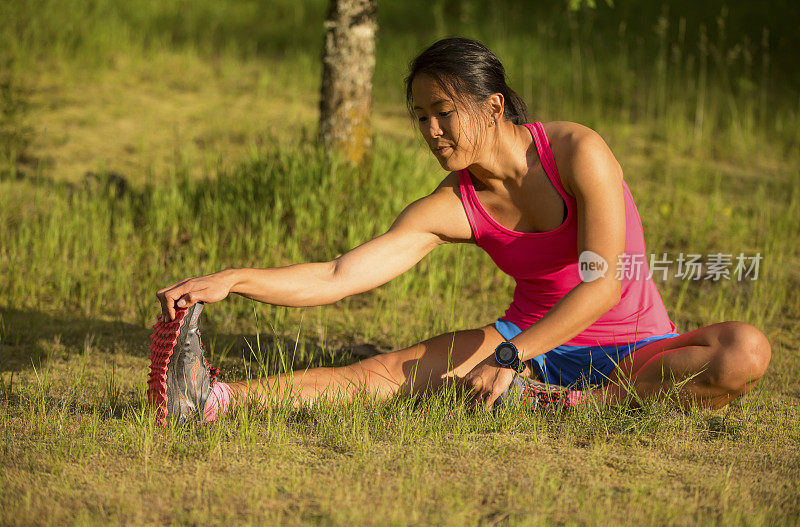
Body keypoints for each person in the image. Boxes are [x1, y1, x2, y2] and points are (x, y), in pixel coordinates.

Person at [152, 37, 771, 424]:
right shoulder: (454, 204)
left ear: (493, 106)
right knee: (384, 375)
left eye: (442, 113)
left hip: (626, 351)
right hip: (526, 347)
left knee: (745, 351)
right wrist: (234, 280)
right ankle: (213, 400)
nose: (430, 131)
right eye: (420, 117)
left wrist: (510, 356)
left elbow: (603, 287)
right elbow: (341, 275)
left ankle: (575, 405)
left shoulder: (579, 151)